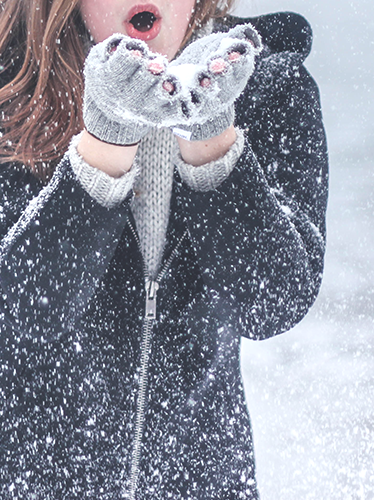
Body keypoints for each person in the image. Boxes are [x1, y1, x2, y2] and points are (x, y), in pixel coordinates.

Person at [0, 0, 328, 498]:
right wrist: (104, 145)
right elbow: (18, 317)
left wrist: (212, 141)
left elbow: (273, 304)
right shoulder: (12, 91)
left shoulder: (269, 88)